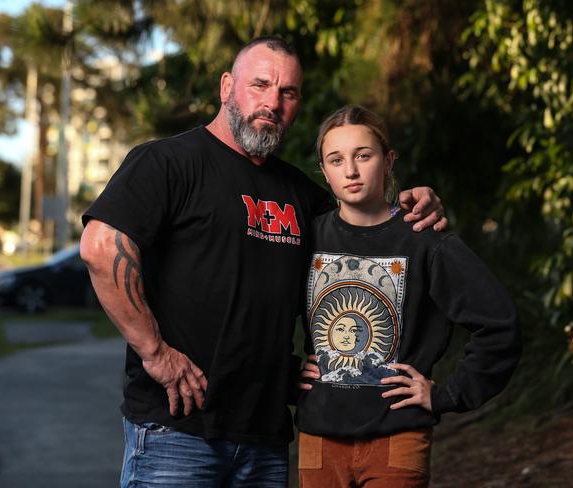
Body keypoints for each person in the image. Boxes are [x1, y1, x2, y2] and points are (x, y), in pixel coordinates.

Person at [79, 37, 447, 488]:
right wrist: (155, 354)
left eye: (288, 92)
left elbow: (366, 227)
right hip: (177, 431)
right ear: (227, 86)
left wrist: (410, 199)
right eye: (261, 84)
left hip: (265, 438)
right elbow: (100, 247)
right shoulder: (167, 162)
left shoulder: (301, 194)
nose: (273, 101)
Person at [296, 105, 522, 487]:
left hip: (397, 438)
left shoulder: (424, 239)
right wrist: (286, 373)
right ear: (324, 171)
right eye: (336, 159)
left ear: (388, 160)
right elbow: (256, 307)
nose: (350, 170)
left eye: (363, 155)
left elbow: (500, 325)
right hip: (319, 438)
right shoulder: (307, 238)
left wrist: (448, 394)